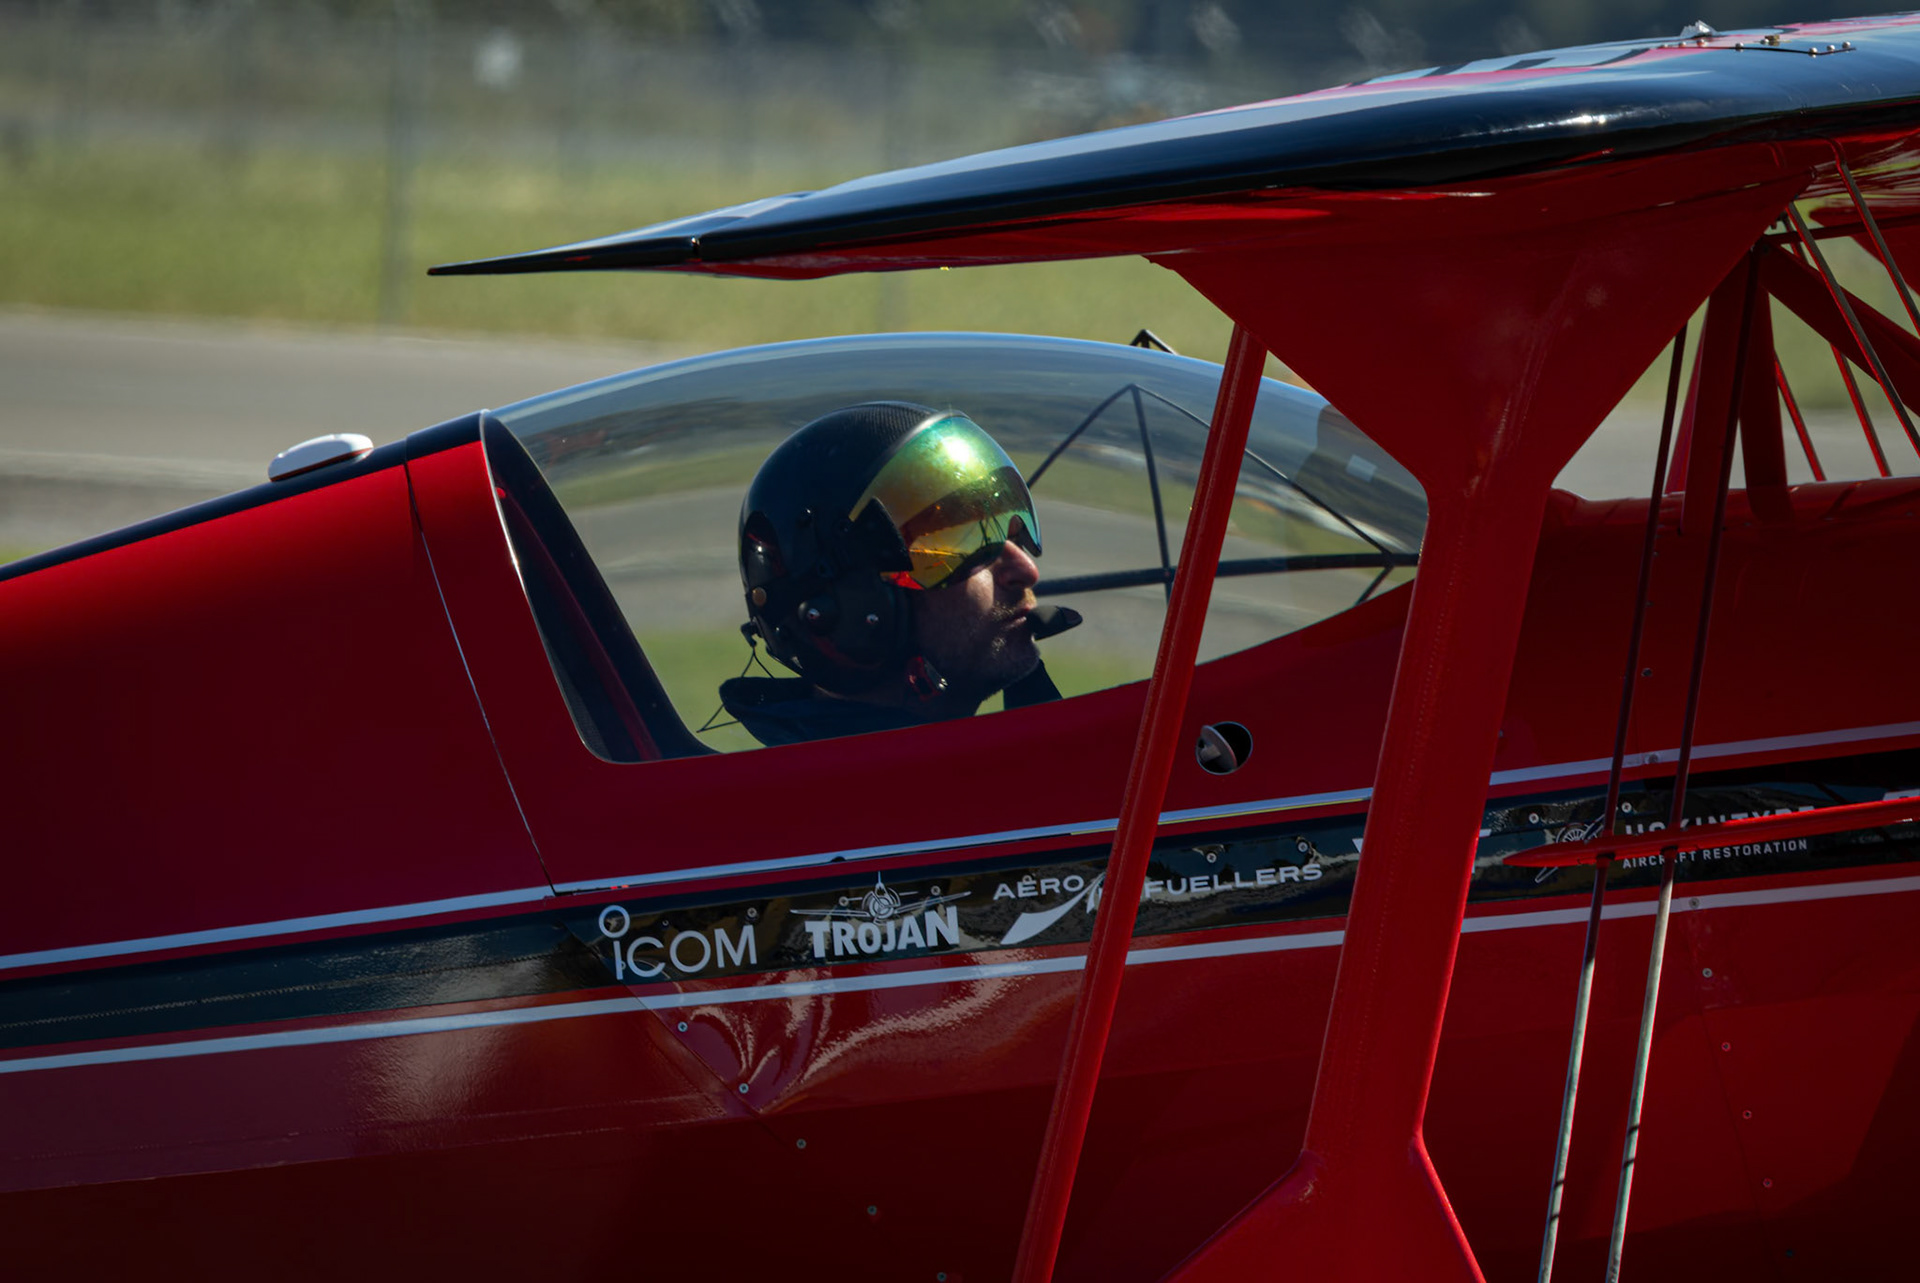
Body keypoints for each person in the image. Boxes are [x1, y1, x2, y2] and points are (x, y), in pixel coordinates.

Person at [720, 401, 1079, 747]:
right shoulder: (843, 804)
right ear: (848, 612)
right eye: (961, 551)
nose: (1026, 571)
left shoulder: (959, 787)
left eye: (1011, 535)